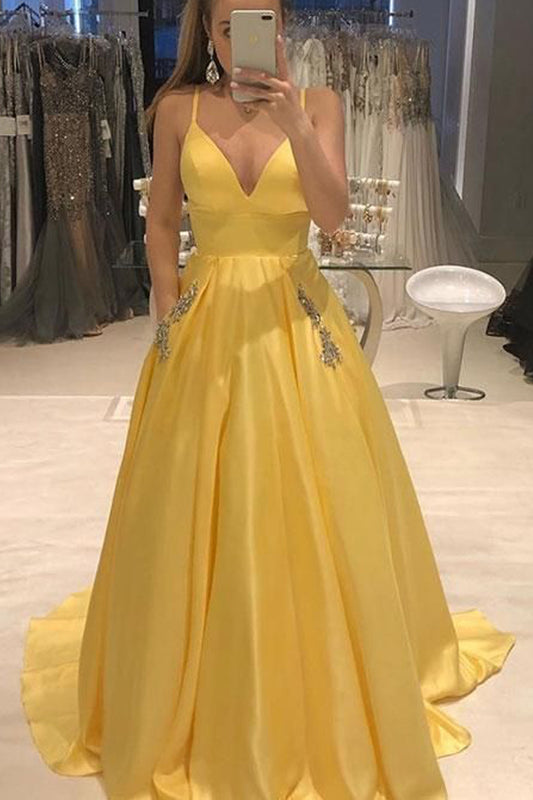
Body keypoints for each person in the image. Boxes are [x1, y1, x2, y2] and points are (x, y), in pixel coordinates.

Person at [20, 1, 516, 798]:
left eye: (262, 20)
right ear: (208, 36)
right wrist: (168, 312)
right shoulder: (177, 109)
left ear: (280, 28)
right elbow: (162, 221)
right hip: (205, 323)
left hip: (297, 320)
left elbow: (333, 216)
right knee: (195, 494)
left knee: (317, 492)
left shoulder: (318, 104)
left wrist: (291, 123)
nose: (245, 38)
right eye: (227, 26)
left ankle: (314, 656)